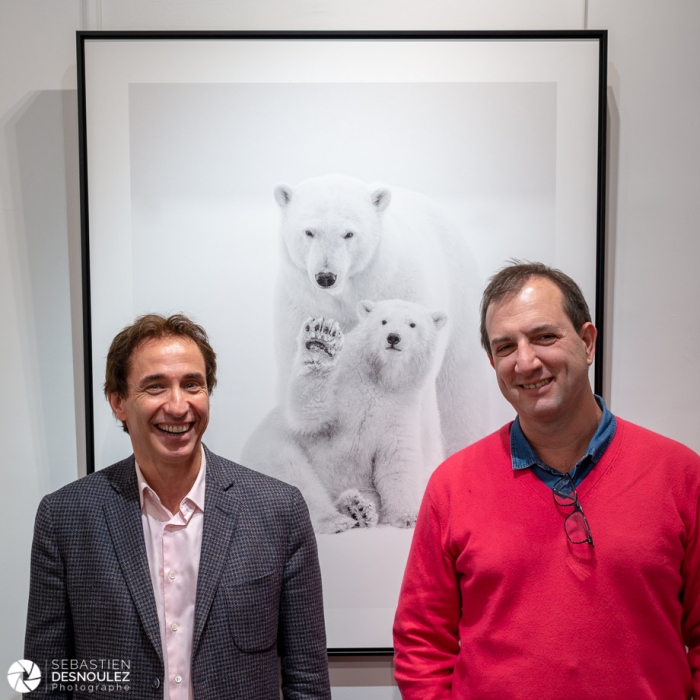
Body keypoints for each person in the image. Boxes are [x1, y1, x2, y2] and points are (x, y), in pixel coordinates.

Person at [393, 262, 700, 699]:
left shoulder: (680, 474)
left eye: (544, 337)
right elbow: (421, 641)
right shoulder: (452, 485)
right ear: (493, 362)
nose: (526, 361)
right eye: (505, 347)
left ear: (587, 342)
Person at [25, 313, 331, 699]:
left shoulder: (278, 510)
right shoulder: (65, 518)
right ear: (118, 402)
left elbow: (307, 679)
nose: (178, 405)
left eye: (192, 385)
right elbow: (44, 679)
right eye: (155, 387)